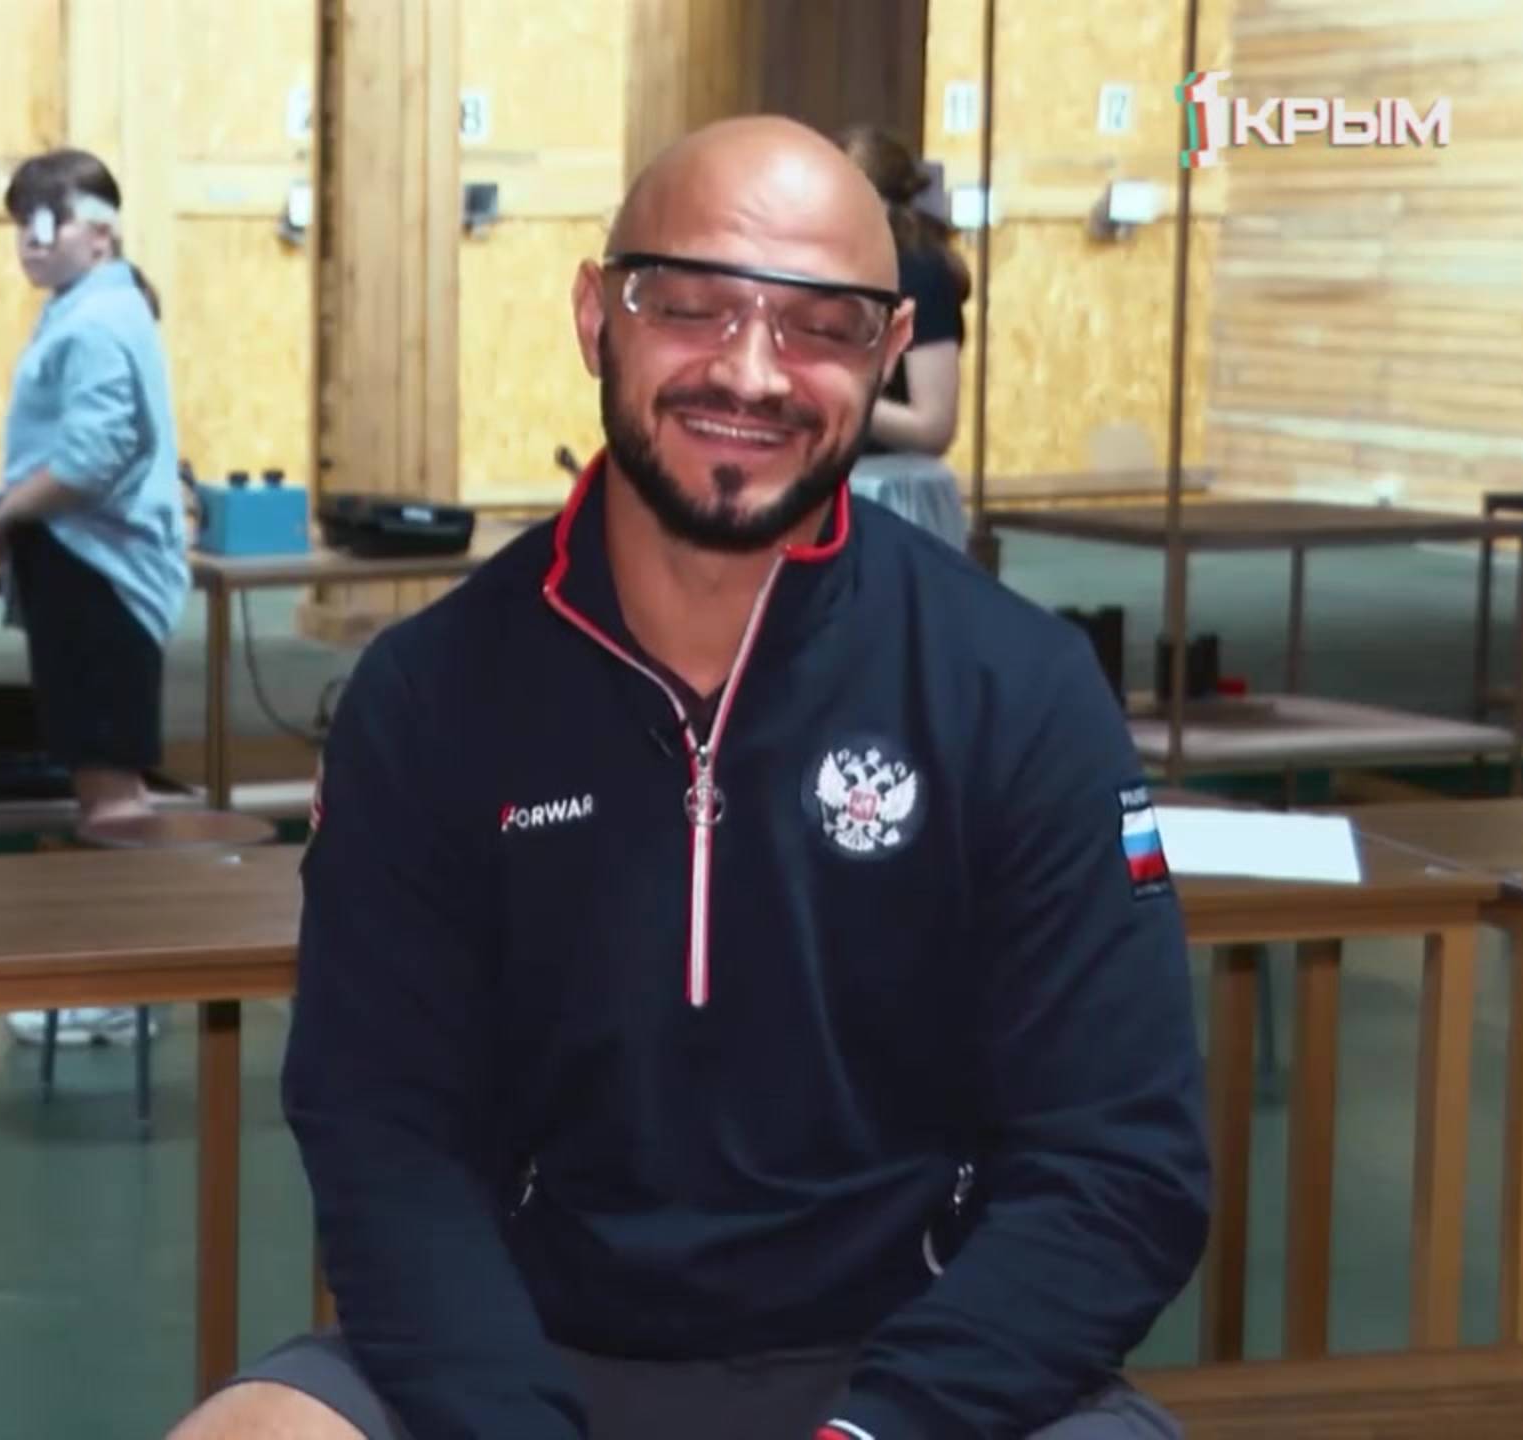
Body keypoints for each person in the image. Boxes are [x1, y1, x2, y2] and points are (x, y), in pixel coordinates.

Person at [170, 117, 1208, 1440]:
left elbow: (1118, 1163)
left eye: (821, 326)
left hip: (915, 1373)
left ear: (890, 349)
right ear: (596, 316)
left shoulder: (1017, 690)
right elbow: (386, 1142)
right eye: (692, 306)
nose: (752, 371)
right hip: (529, 1353)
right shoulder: (429, 697)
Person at [0, 149, 190, 1050]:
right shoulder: (88, 307)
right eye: (21, 225)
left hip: (98, 573)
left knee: (112, 796)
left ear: (100, 232)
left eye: (48, 222)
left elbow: (96, 455)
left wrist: (5, 513)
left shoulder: (99, 320)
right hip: (84, 569)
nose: (30, 243)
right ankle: (116, 979)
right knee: (103, 784)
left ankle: (121, 988)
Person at [837, 124, 972, 550]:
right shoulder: (827, 266)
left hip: (889, 496)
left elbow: (934, 426)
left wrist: (837, 394)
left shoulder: (919, 273)